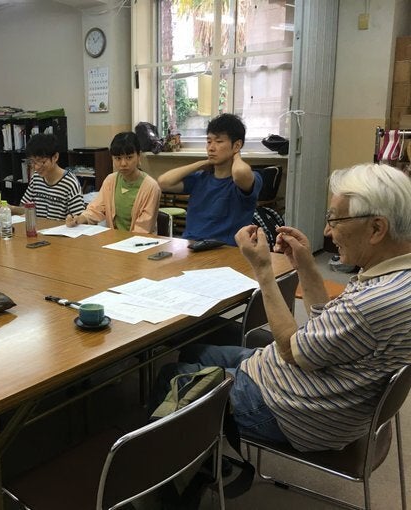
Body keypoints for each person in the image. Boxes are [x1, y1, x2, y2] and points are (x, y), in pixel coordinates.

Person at [163, 163, 411, 452]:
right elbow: (326, 322)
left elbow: (291, 351)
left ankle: (176, 473)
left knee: (170, 375)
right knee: (195, 352)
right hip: (315, 388)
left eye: (334, 220)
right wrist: (305, 264)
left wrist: (263, 269)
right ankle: (203, 443)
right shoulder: (394, 278)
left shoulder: (372, 303)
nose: (327, 231)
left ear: (377, 228)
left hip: (293, 410)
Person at [157, 113, 262, 246]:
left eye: (219, 142)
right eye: (208, 141)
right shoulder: (200, 178)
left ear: (236, 145)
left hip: (225, 249)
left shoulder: (247, 179)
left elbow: (239, 172)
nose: (211, 148)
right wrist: (201, 164)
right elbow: (163, 182)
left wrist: (236, 155)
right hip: (192, 245)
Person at [65, 131, 161, 233]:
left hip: (139, 240)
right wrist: (79, 219)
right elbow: (96, 209)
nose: (123, 163)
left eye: (129, 157)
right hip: (114, 240)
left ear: (138, 156)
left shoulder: (151, 187)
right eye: (118, 158)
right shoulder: (110, 180)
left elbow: (143, 229)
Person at [6, 133, 85, 220]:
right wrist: (10, 208)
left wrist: (73, 220)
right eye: (33, 162)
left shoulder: (70, 183)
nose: (36, 167)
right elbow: (26, 208)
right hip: (38, 227)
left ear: (55, 157)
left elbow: (79, 219)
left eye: (41, 161)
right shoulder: (36, 178)